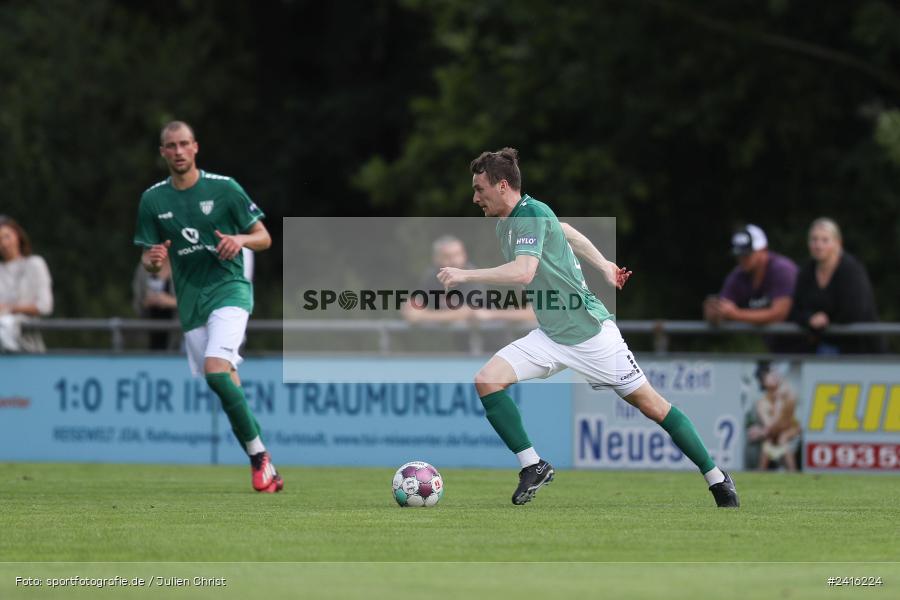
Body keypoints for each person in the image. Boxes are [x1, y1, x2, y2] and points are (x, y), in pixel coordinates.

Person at [437, 148, 739, 508]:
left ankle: (717, 478)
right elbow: (566, 231)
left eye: (479, 189)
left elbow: (524, 272)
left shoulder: (530, 213)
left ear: (502, 186)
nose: (474, 198)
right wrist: (604, 265)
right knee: (487, 380)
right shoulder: (512, 221)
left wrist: (466, 274)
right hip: (551, 335)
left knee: (654, 407)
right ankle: (532, 465)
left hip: (591, 336)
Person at [133, 121, 283, 493]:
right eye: (171, 146)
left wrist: (240, 238)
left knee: (216, 370)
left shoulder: (224, 188)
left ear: (196, 147)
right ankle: (262, 459)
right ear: (163, 152)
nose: (179, 151)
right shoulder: (153, 200)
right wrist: (152, 260)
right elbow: (149, 261)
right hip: (191, 300)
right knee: (223, 381)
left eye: (184, 144)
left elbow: (264, 237)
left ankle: (258, 461)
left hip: (230, 290)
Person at [791, 218, 883, 354]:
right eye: (814, 239)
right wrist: (809, 318)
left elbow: (856, 310)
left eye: (824, 240)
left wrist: (824, 320)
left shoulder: (851, 269)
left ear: (838, 243)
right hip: (823, 348)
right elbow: (796, 308)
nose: (818, 245)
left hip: (860, 348)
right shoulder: (806, 271)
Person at [703, 224, 797, 351]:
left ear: (763, 250)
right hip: (774, 349)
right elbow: (724, 309)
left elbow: (779, 314)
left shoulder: (783, 269)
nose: (742, 259)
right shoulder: (738, 274)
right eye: (739, 255)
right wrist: (714, 312)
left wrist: (736, 314)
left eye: (747, 254)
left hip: (804, 346)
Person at [0, 216, 53, 353]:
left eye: (7, 236)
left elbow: (45, 306)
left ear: (17, 235)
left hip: (29, 347)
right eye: (0, 239)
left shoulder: (35, 264)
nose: (4, 244)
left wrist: (10, 309)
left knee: (6, 323)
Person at [746, 362, 801, 472]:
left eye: (773, 374)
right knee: (769, 442)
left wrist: (761, 432)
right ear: (763, 382)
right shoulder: (762, 403)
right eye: (769, 375)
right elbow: (769, 425)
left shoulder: (786, 390)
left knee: (783, 438)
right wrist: (763, 431)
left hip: (790, 429)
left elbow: (789, 417)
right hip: (773, 433)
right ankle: (761, 474)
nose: (774, 376)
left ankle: (793, 474)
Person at [132, 258, 179, 350]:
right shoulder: (144, 266)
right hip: (149, 332)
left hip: (179, 335)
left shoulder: (184, 265)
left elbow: (195, 302)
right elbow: (137, 301)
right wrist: (146, 302)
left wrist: (172, 302)